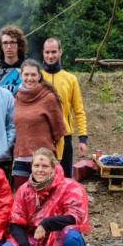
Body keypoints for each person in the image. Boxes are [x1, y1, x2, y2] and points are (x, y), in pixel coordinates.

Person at [0, 148, 91, 246]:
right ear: (31, 167)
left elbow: (77, 217)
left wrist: (47, 223)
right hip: (35, 239)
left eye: (45, 166)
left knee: (71, 235)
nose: (40, 170)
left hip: (61, 239)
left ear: (53, 168)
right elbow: (15, 222)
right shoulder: (24, 190)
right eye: (36, 166)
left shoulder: (70, 187)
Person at [12, 59, 66, 190]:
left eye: (33, 75)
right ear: (21, 76)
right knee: (22, 197)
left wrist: (56, 158)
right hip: (21, 158)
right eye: (26, 75)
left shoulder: (49, 98)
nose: (29, 78)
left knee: (46, 199)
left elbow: (59, 131)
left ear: (39, 76)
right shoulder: (16, 97)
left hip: (43, 160)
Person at [41, 37, 89, 179]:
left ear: (60, 52)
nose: (50, 56)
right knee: (42, 177)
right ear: (43, 53)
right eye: (47, 52)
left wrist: (83, 138)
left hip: (64, 136)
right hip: (42, 136)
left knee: (64, 178)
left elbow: (79, 110)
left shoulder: (70, 79)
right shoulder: (37, 77)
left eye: (54, 52)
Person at [0, 25, 27, 95]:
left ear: (19, 45)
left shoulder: (27, 69)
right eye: (5, 43)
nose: (9, 47)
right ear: (1, 46)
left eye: (12, 42)